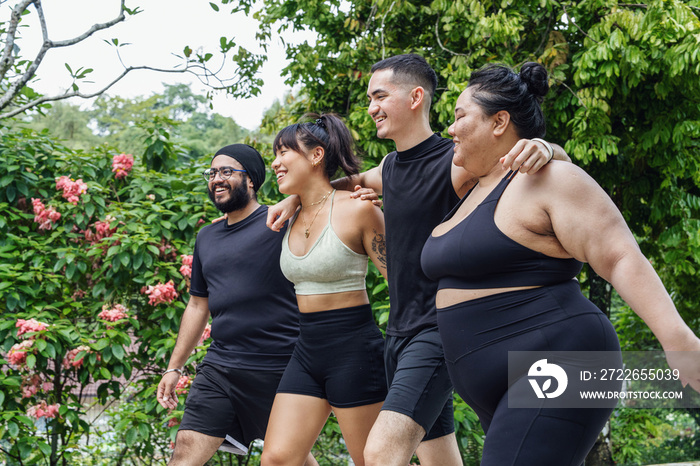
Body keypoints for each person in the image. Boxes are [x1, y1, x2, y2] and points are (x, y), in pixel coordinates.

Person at [267, 54, 569, 466]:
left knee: (381, 454)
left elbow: (521, 161)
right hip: (400, 334)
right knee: (439, 459)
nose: (371, 107)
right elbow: (344, 183)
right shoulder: (390, 167)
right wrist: (292, 197)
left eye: (379, 96)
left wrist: (547, 148)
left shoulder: (457, 161)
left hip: (439, 331)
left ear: (415, 97)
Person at [420, 61, 700, 465]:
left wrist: (678, 342)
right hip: (497, 383)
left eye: (460, 116)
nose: (450, 129)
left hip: (562, 356)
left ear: (499, 122)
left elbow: (619, 255)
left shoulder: (550, 179)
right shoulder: (469, 192)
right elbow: (393, 172)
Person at [156, 144, 317, 466]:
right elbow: (197, 306)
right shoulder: (207, 237)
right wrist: (175, 367)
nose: (217, 178)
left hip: (280, 367)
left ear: (252, 180)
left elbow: (327, 199)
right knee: (186, 447)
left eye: (228, 171)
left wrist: (297, 199)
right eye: (212, 173)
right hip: (221, 367)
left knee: (289, 460)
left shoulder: (282, 220)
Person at [260, 114, 388, 466]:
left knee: (373, 461)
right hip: (307, 349)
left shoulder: (359, 210)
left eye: (284, 152)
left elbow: (401, 284)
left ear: (316, 156)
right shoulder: (290, 215)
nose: (275, 162)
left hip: (355, 350)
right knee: (277, 459)